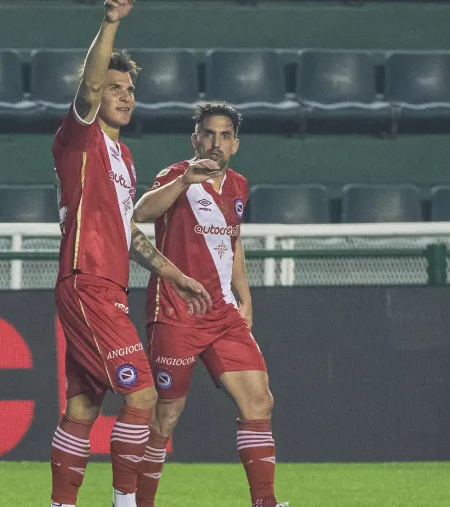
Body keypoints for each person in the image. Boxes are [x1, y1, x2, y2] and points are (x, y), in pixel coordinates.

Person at [49, 2, 213, 507]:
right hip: (87, 280)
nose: (123, 96)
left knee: (83, 404)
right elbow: (89, 87)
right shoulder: (80, 138)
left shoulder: (123, 156)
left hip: (109, 285)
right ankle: (127, 504)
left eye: (129, 90)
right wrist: (112, 22)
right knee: (142, 394)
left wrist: (176, 276)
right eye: (114, 88)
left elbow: (129, 235)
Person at [131, 103, 287, 507]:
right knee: (166, 415)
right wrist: (185, 180)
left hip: (222, 314)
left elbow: (233, 242)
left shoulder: (238, 185)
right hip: (176, 312)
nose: (216, 143)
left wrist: (245, 295)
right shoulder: (176, 175)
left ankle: (265, 502)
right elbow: (141, 212)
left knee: (259, 400)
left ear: (235, 144)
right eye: (208, 134)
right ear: (195, 139)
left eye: (224, 136)